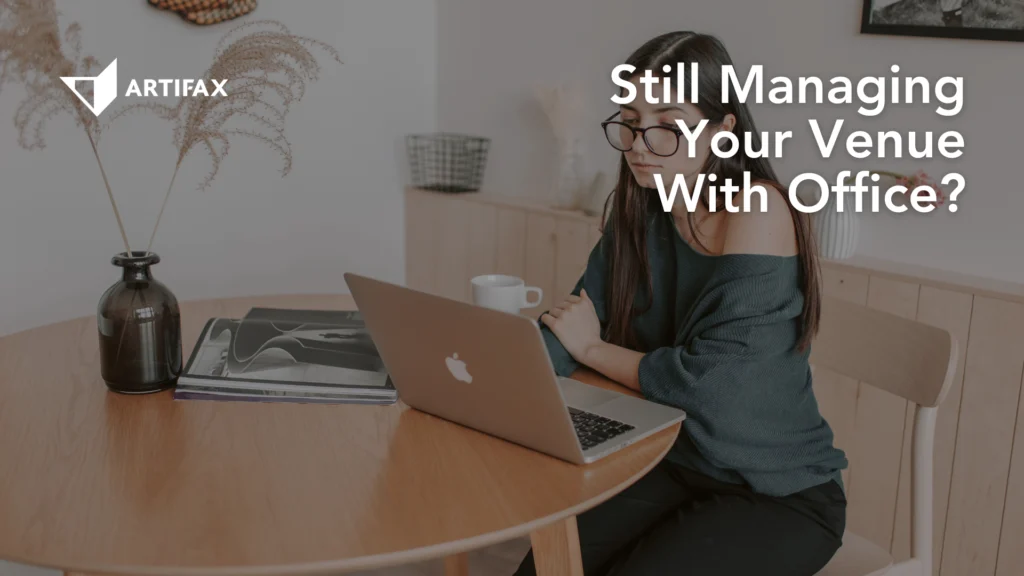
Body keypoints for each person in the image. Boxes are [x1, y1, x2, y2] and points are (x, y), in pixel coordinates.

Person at [513, 32, 849, 576]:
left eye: (668, 126)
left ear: (722, 130)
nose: (640, 144)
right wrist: (501, 378)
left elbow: (711, 386)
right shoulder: (639, 208)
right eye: (630, 121)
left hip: (774, 490)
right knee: (546, 567)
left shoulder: (757, 208)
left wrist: (593, 350)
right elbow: (571, 325)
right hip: (669, 459)